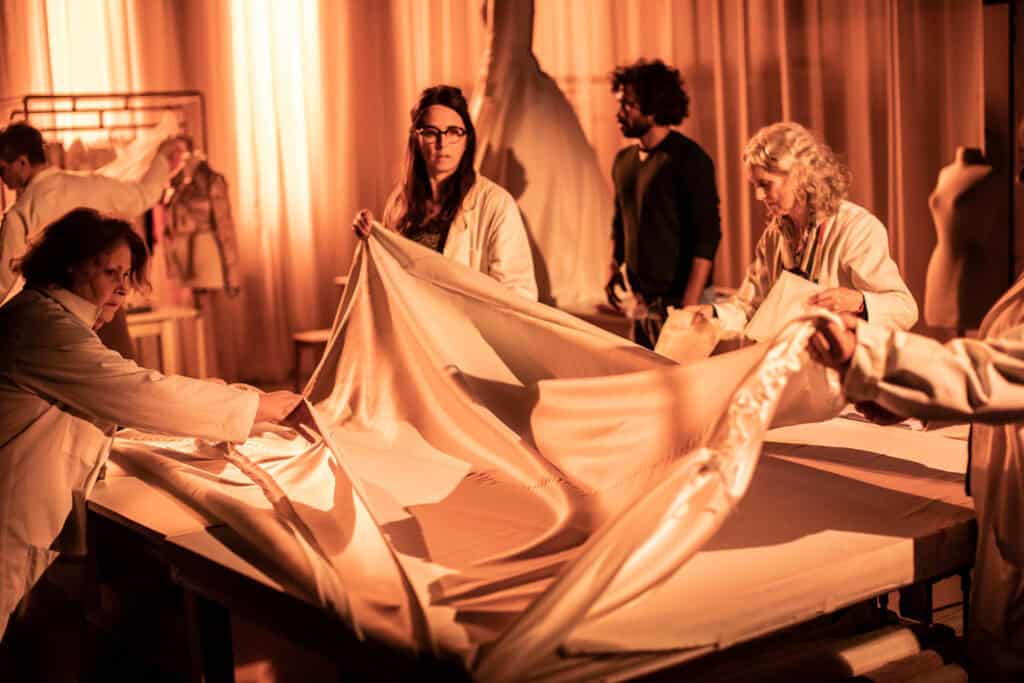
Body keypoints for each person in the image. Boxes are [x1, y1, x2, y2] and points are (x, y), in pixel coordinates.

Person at [0, 208, 300, 640]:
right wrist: (258, 407)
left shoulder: (47, 318)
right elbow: (135, 392)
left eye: (127, 274)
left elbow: (115, 398)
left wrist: (216, 399)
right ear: (71, 265)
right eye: (111, 272)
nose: (123, 287)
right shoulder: (41, 326)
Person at [692, 122, 917, 334]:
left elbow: (905, 309)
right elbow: (752, 308)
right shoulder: (774, 236)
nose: (759, 196)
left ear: (800, 173)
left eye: (766, 184)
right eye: (755, 185)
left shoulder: (856, 228)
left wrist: (858, 302)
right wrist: (712, 313)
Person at [0, 122, 178, 358]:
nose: (2, 178)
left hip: (59, 319)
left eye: (3, 169)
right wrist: (162, 158)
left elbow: (3, 280)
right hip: (106, 306)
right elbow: (144, 195)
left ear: (22, 162)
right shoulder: (92, 185)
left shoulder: (22, 212)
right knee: (123, 376)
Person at [352, 85, 538, 301]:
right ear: (416, 140)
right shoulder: (399, 204)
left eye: (453, 132)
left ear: (467, 140)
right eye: (431, 132)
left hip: (467, 322)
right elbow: (388, 279)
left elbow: (518, 295)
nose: (442, 143)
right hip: (412, 320)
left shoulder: (497, 204)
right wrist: (371, 236)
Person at [606, 59, 722, 349]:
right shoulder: (623, 162)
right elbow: (619, 222)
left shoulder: (689, 159)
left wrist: (687, 309)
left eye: (629, 105)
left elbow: (706, 238)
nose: (620, 113)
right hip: (642, 303)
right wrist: (612, 270)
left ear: (653, 107)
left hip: (682, 303)